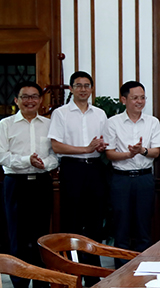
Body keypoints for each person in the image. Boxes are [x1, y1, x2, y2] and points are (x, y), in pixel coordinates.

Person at [48, 71, 108, 286]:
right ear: (71, 89)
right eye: (78, 85)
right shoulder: (61, 113)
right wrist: (85, 149)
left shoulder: (100, 114)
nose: (83, 89)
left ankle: (93, 275)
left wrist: (100, 147)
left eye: (87, 85)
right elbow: (56, 145)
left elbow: (103, 142)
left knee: (94, 223)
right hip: (72, 169)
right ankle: (72, 275)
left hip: (95, 169)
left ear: (91, 88)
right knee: (71, 222)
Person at [0, 81, 58, 288]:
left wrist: (44, 164)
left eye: (34, 96)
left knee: (41, 236)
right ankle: (20, 282)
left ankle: (41, 281)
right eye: (25, 97)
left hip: (41, 183)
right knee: (17, 235)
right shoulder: (5, 124)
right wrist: (27, 161)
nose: (30, 101)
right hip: (16, 184)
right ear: (16, 100)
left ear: (41, 100)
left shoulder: (49, 124)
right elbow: (2, 156)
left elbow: (55, 155)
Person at [104, 81, 160, 266]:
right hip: (121, 180)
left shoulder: (152, 122)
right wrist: (128, 154)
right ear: (124, 100)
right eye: (135, 98)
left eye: (142, 98)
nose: (140, 101)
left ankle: (143, 270)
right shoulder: (112, 122)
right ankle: (120, 272)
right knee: (121, 227)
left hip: (144, 178)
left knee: (143, 226)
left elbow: (156, 152)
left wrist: (142, 151)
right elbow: (109, 153)